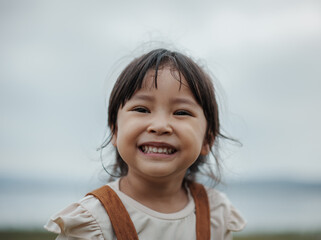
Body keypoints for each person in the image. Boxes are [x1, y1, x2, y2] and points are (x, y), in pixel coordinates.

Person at [44, 48, 246, 239]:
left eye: (181, 112)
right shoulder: (93, 221)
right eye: (141, 109)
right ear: (115, 130)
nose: (159, 126)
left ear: (207, 139)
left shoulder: (215, 213)